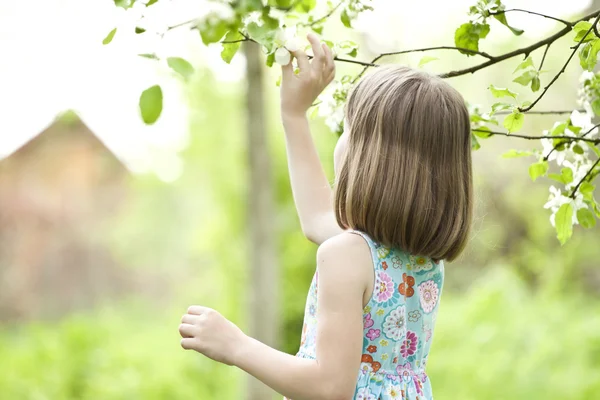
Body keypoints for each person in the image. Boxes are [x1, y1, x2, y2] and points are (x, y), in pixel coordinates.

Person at [178, 33, 473, 400]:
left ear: (371, 158)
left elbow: (330, 388)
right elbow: (317, 216)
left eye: (346, 130)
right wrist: (293, 113)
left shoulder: (347, 256)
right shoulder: (417, 259)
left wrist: (236, 345)